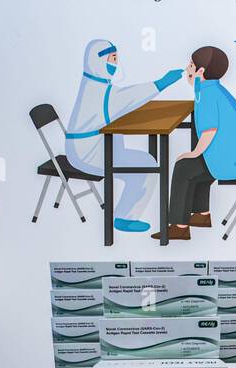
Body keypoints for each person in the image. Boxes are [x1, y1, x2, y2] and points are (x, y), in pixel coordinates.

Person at [65, 38, 184, 233]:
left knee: (146, 161)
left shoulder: (95, 83)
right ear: (98, 60)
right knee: (148, 167)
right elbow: (129, 97)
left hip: (94, 146)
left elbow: (123, 101)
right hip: (89, 153)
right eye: (112, 58)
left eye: (116, 58)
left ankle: (123, 215)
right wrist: (161, 83)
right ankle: (124, 218)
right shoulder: (100, 91)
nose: (115, 63)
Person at [152, 45, 236, 241]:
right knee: (197, 165)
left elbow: (210, 131)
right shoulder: (211, 89)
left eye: (191, 65)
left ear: (201, 72)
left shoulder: (208, 94)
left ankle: (178, 227)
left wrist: (193, 153)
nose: (187, 69)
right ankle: (201, 215)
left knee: (183, 167)